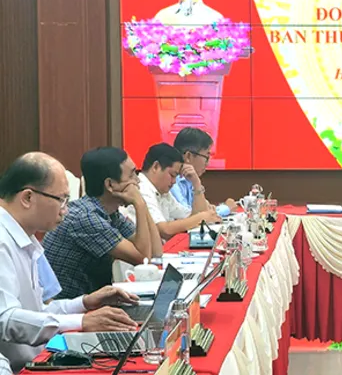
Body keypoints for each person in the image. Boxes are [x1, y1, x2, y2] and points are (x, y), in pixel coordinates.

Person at [0, 153, 140, 372]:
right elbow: (6, 319)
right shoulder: (2, 241)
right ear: (27, 198)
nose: (65, 210)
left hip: (40, 359)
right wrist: (81, 322)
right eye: (62, 200)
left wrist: (84, 303)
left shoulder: (26, 238)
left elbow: (38, 312)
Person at [44, 147, 163, 299]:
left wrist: (142, 204)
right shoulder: (85, 218)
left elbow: (156, 253)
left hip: (92, 302)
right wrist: (139, 203)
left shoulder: (110, 214)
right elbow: (142, 259)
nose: (137, 180)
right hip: (70, 307)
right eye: (132, 175)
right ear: (110, 185)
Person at [124, 143, 220, 241]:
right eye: (172, 175)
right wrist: (201, 218)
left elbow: (192, 216)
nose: (174, 181)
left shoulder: (163, 193)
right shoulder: (141, 189)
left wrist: (196, 184)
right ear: (156, 167)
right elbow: (164, 230)